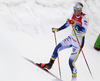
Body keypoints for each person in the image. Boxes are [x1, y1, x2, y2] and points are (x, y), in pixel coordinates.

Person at [36, 2, 89, 77]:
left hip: (78, 41)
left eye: (76, 9)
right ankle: (49, 64)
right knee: (57, 47)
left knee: (71, 62)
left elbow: (84, 30)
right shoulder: (73, 14)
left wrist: (75, 24)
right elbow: (68, 23)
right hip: (72, 37)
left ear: (80, 10)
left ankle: (74, 78)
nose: (74, 11)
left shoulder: (84, 17)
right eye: (73, 9)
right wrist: (58, 29)